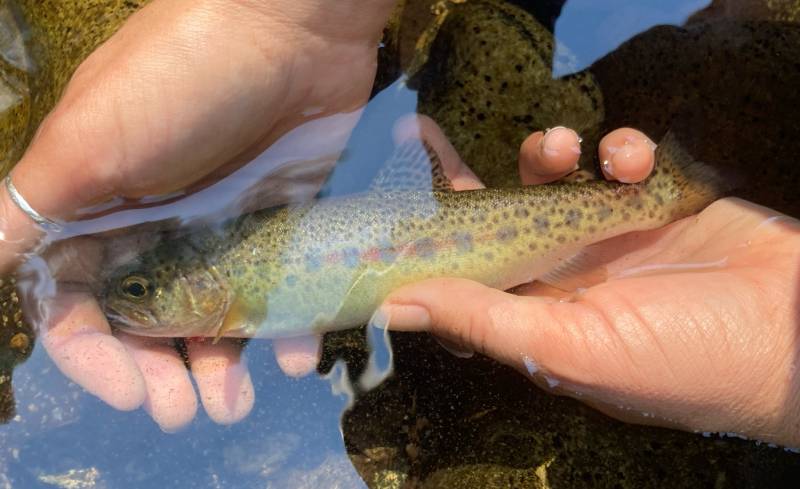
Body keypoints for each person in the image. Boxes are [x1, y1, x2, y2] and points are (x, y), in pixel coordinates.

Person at [0, 0, 797, 448]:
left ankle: (679, 187)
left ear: (203, 294)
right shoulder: (224, 289)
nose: (130, 301)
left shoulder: (228, 305)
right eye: (136, 292)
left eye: (141, 290)